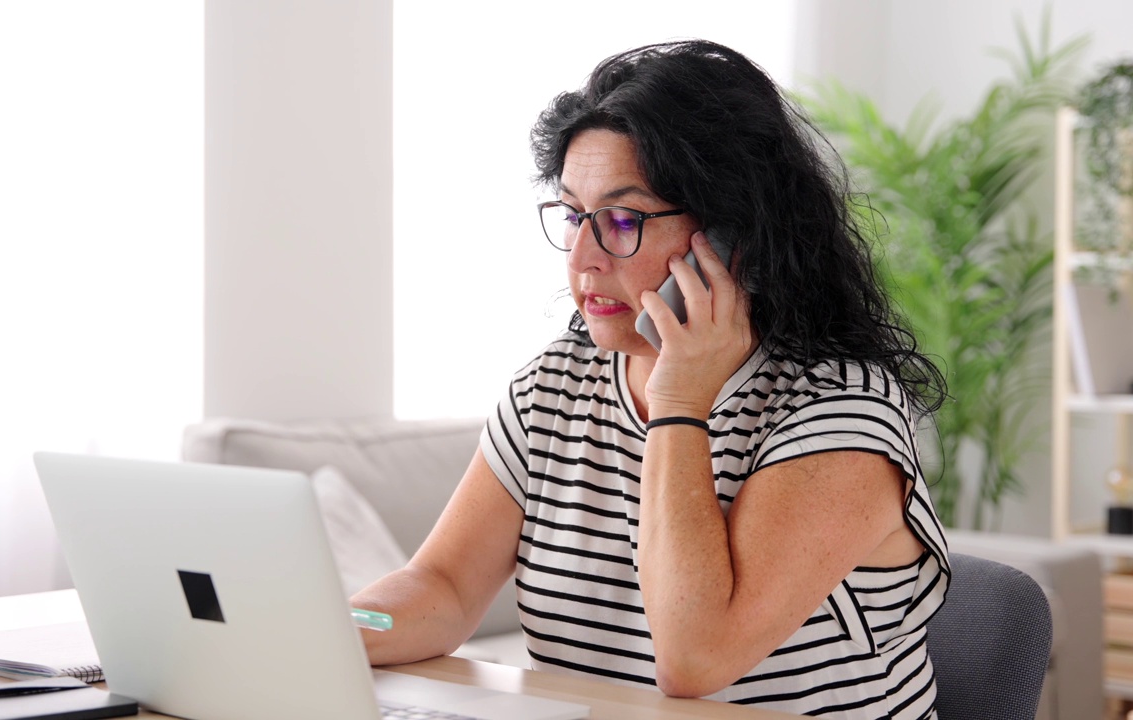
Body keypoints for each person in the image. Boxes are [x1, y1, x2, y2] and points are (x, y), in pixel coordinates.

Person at [352, 39, 950, 718]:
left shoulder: (840, 414)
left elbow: (697, 659)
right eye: (575, 215)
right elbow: (445, 587)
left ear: (731, 234)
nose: (582, 257)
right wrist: (344, 627)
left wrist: (677, 402)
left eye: (622, 219)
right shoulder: (557, 384)